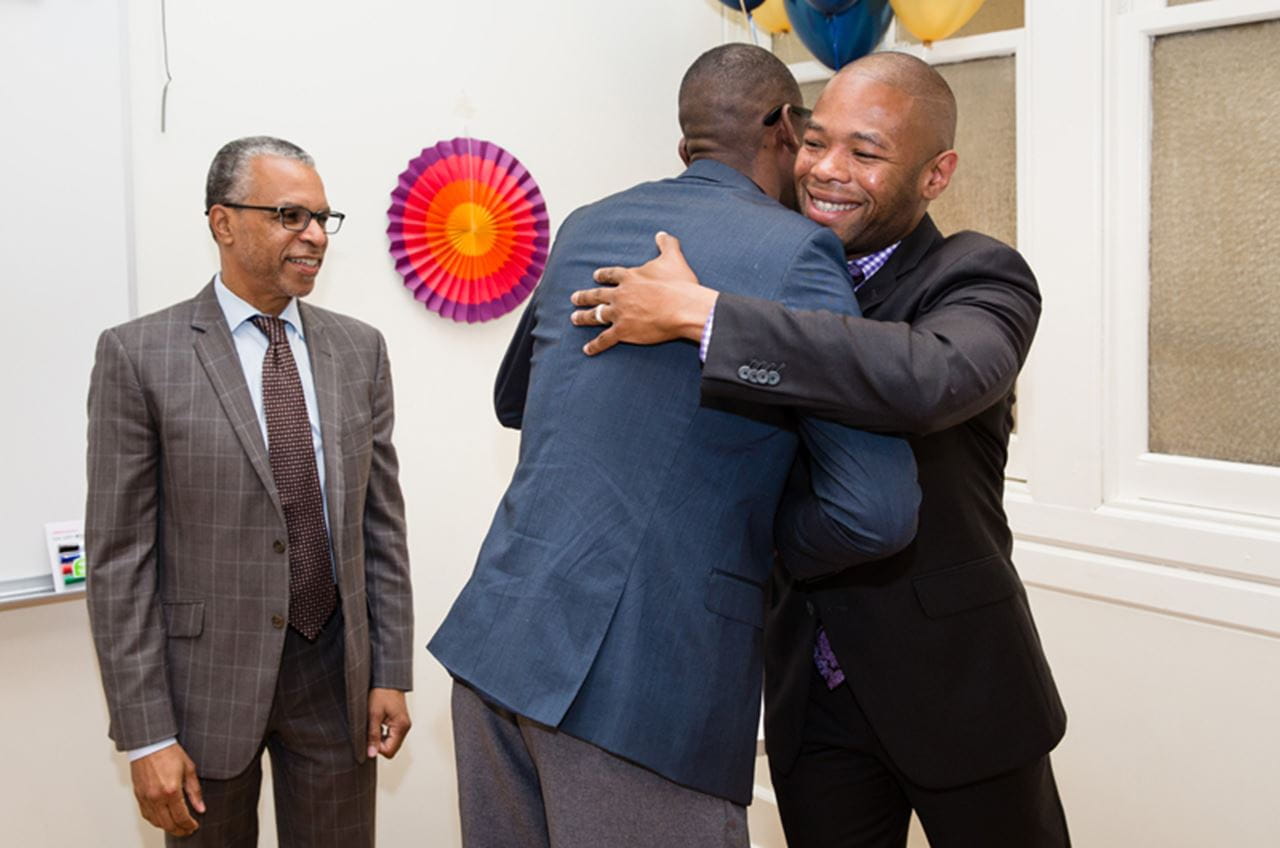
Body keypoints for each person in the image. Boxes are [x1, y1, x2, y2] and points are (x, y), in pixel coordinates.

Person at [569, 52, 1069, 847]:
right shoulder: (766, 277)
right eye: (815, 141)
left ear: (936, 175)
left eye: (865, 154)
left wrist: (709, 319)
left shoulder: (978, 273)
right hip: (809, 692)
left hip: (960, 688)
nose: (825, 171)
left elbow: (930, 376)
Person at [428, 44, 919, 848]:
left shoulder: (590, 225)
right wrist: (747, 529)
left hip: (497, 644)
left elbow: (513, 398)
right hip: (645, 682)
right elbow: (877, 511)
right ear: (785, 127)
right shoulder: (797, 253)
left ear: (684, 141)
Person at [85, 136, 414, 847]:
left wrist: (390, 670)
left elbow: (379, 525)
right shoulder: (139, 355)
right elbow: (119, 562)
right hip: (204, 686)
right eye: (291, 215)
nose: (317, 237)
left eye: (325, 219)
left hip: (335, 678)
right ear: (223, 221)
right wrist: (146, 737)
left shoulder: (361, 349)